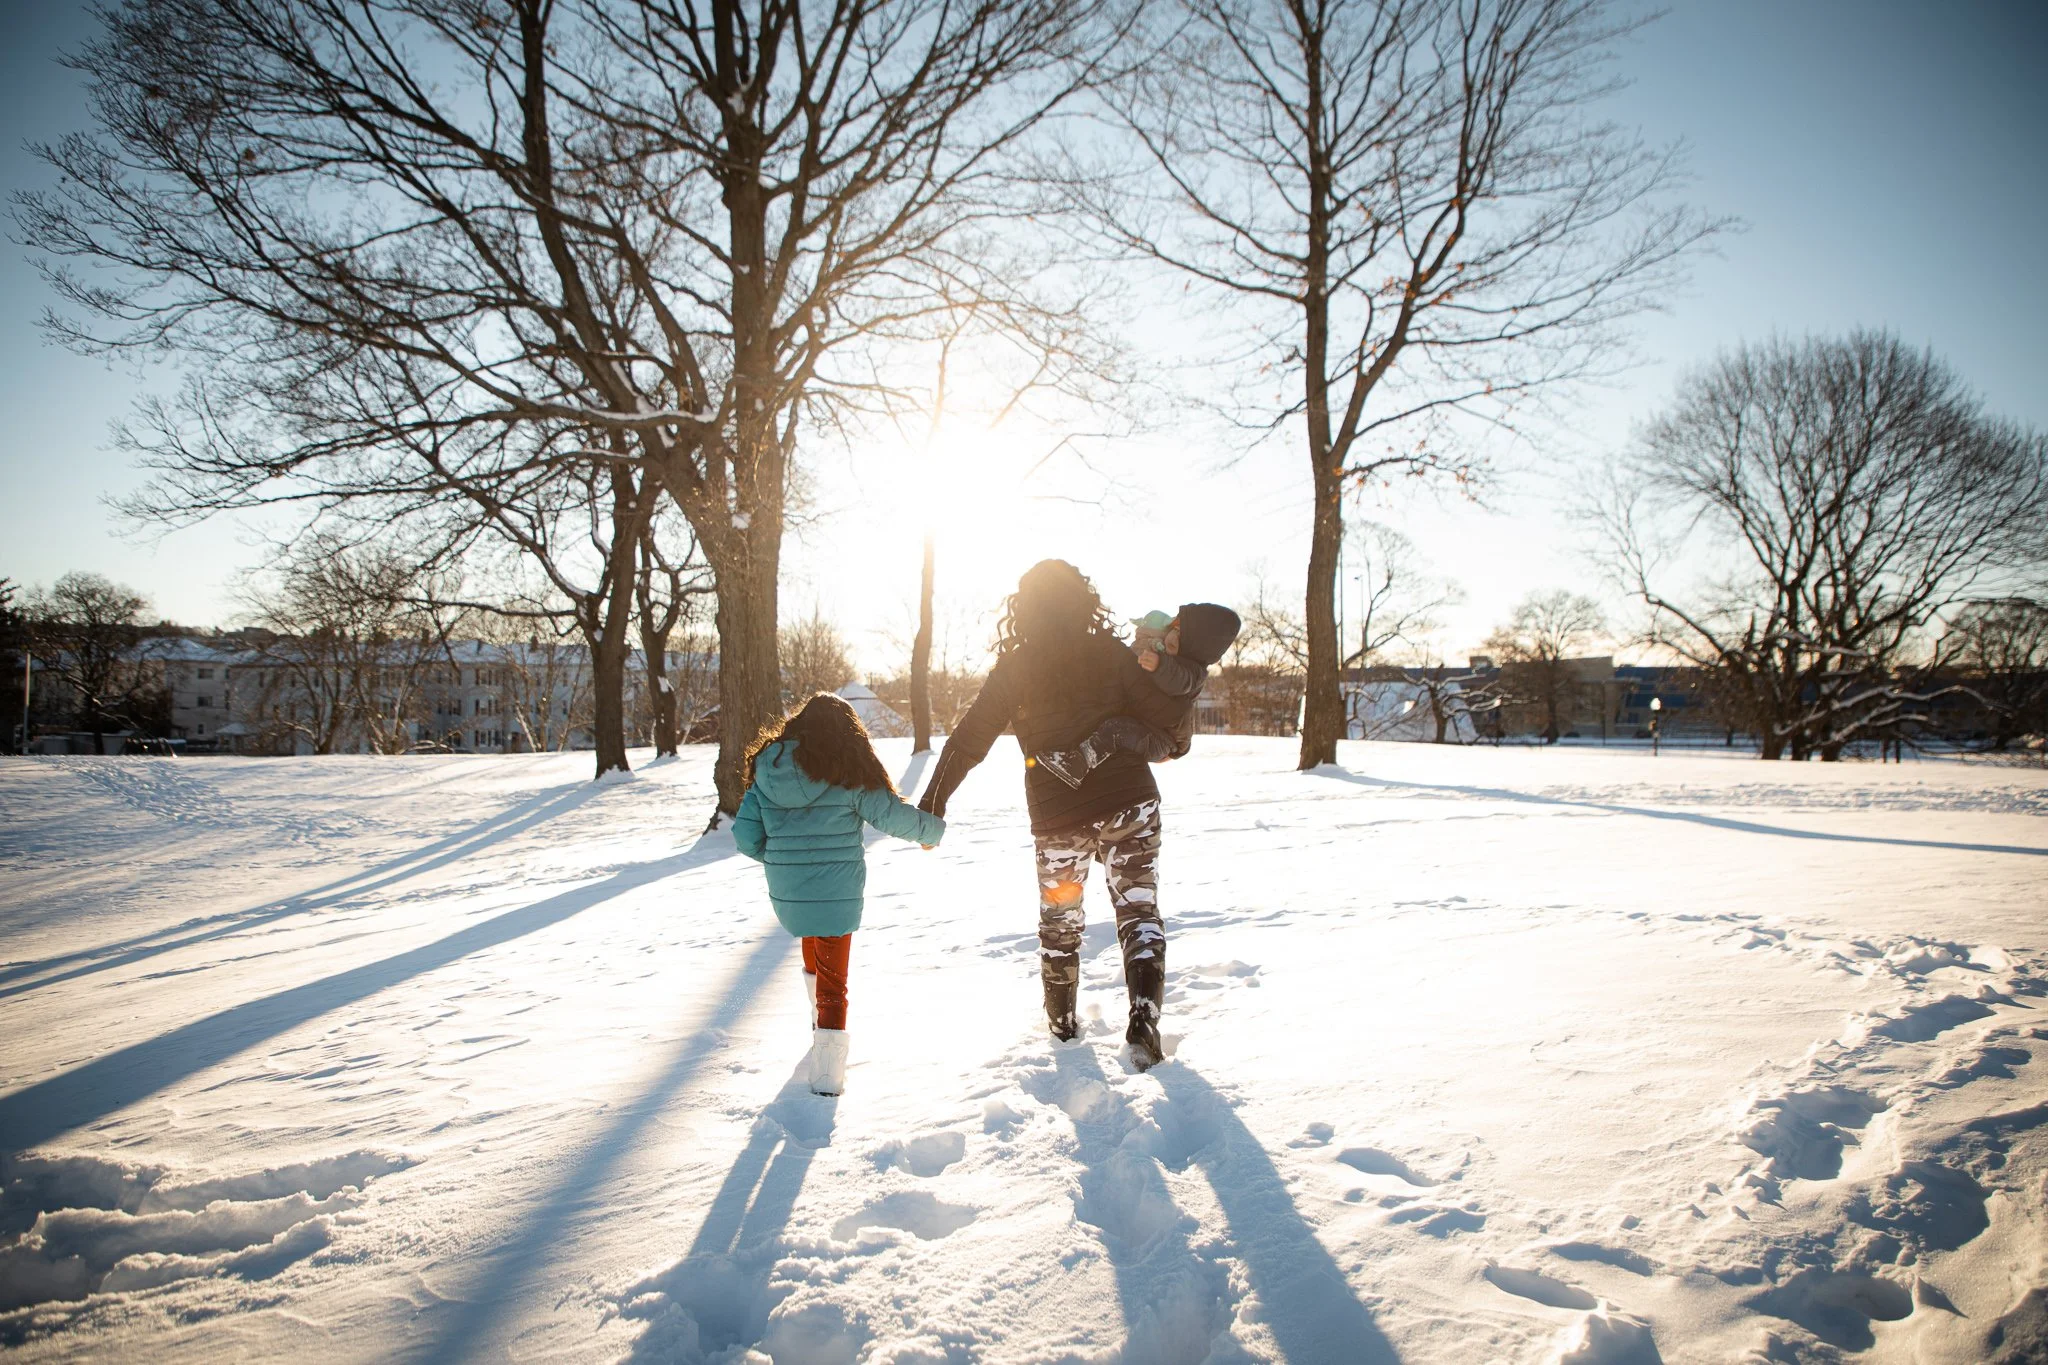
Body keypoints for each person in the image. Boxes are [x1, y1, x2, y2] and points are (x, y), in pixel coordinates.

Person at [917, 560, 1187, 1069]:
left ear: (1025, 609)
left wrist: (933, 803)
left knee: (1060, 922)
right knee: (1139, 910)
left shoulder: (1015, 669)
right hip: (1130, 801)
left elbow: (968, 741)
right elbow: (1164, 717)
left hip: (1059, 817)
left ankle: (1062, 1027)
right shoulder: (1111, 654)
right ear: (1083, 600)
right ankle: (1144, 1015)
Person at [733, 692, 944, 1096]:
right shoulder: (847, 769)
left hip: (788, 892)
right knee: (835, 982)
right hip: (837, 892)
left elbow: (745, 837)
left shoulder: (769, 768)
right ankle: (827, 1081)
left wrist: (781, 860)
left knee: (814, 944)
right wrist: (932, 832)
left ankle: (818, 1027)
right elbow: (892, 817)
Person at [1032, 602, 1242, 788]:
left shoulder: (1193, 672)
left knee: (1116, 730)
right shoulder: (1172, 656)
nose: (1170, 632)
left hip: (1161, 739)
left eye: (1177, 630)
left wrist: (1160, 664)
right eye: (1171, 627)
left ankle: (1077, 765)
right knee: (1113, 726)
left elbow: (1177, 682)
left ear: (1194, 643)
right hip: (1151, 729)